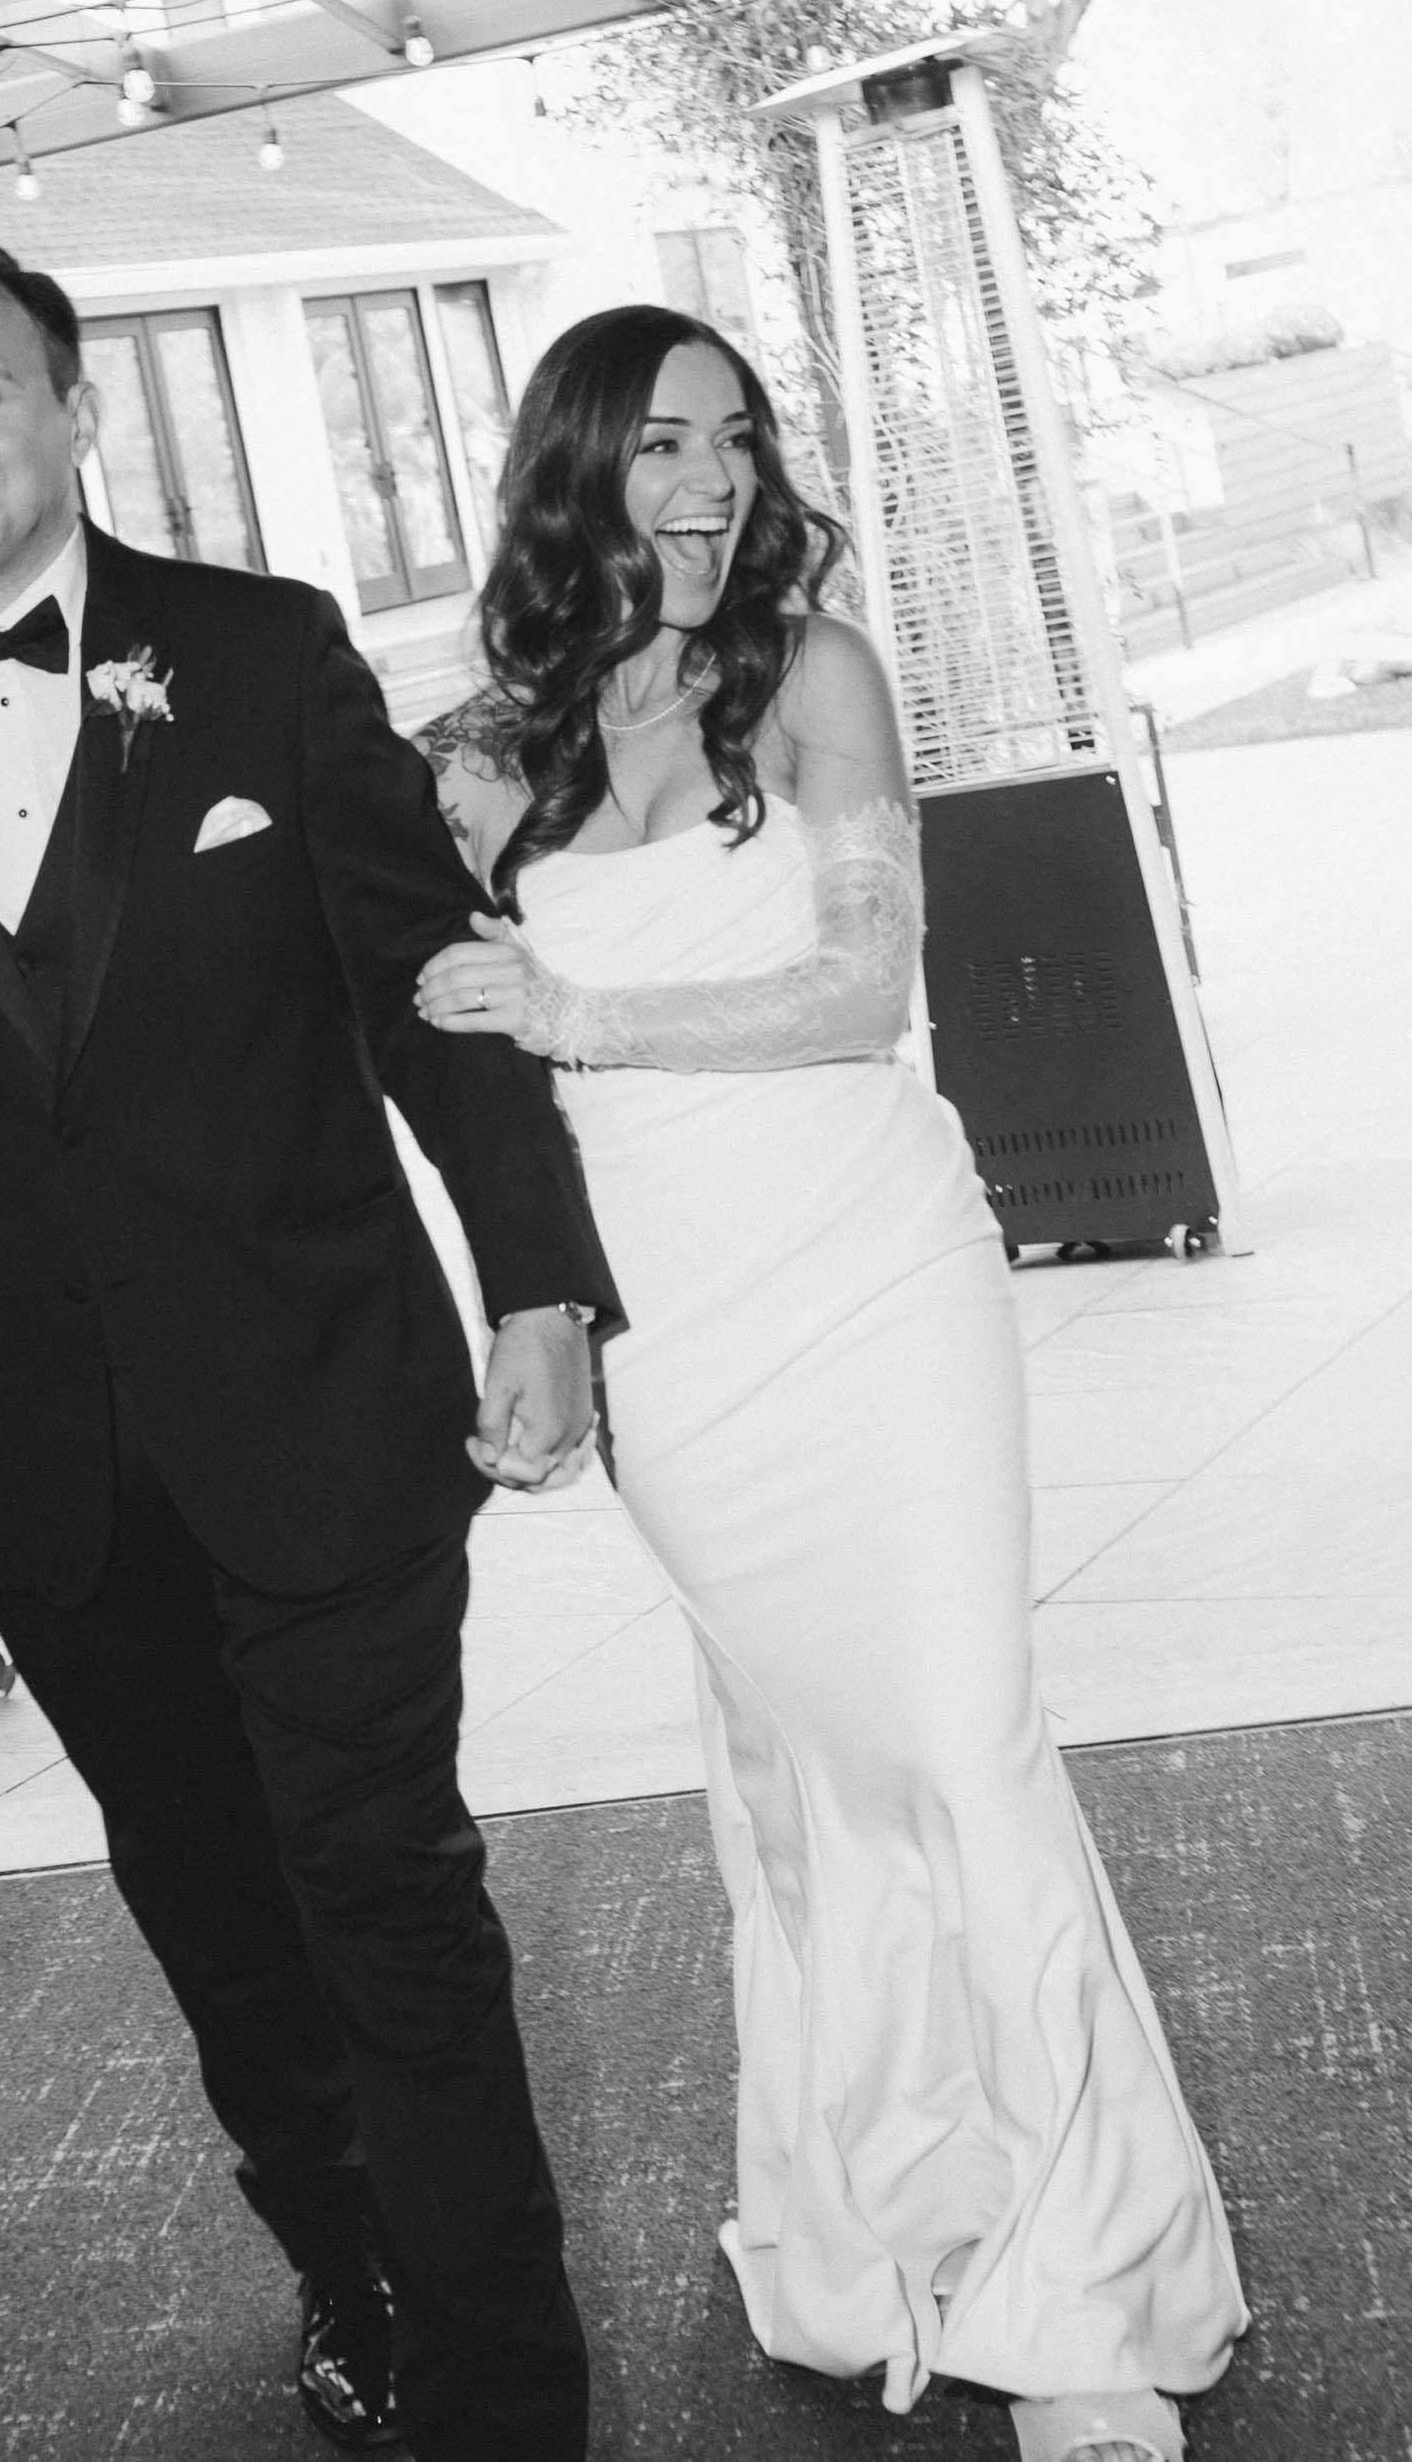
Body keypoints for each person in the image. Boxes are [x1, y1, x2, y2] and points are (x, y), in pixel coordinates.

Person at [0, 229, 619, 2462]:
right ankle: (353, 2272)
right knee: (217, 1914)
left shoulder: (261, 654)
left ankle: (505, 2392)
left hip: (321, 1405)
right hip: (36, 1467)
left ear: (74, 403)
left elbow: (432, 986)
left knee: (382, 1889)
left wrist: (540, 1285)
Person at [411, 306, 1248, 2462]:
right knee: (817, 1783)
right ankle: (886, 2211)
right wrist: (530, 1326)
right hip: (677, 1334)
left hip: (876, 1275)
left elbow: (868, 986)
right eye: (659, 440)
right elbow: (452, 1094)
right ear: (574, 469)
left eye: (735, 436)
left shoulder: (818, 674)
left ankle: (1086, 2297)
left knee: (965, 1747)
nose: (704, 477)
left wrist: (577, 1007)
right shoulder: (482, 759)